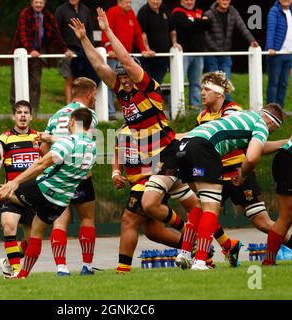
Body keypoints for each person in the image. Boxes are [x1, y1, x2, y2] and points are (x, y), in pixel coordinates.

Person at [70, 10, 238, 267]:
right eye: (122, 76)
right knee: (195, 208)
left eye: (127, 75)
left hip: (168, 154)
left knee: (149, 206)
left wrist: (108, 31)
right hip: (157, 160)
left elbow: (125, 59)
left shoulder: (149, 87)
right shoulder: (123, 94)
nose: (124, 80)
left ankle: (185, 243)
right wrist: (84, 39)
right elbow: (100, 66)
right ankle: (227, 244)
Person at [0, 107, 97, 278]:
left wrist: (16, 182)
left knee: (5, 193)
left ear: (72, 121)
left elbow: (41, 165)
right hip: (61, 200)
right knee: (36, 233)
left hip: (45, 188)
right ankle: (22, 275)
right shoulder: (92, 145)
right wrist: (52, 139)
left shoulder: (67, 143)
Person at [196, 71, 292, 263]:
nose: (202, 92)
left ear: (220, 93)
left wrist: (288, 142)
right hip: (217, 174)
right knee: (203, 213)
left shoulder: (234, 111)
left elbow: (255, 149)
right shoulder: (202, 116)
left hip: (239, 171)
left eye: (206, 88)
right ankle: (223, 248)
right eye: (202, 88)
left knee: (262, 222)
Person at [174, 103, 285, 270]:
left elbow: (258, 147)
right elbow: (253, 157)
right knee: (211, 206)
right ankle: (200, 262)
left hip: (185, 146)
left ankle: (185, 253)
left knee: (200, 203)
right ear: (271, 124)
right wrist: (243, 175)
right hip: (204, 148)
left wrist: (286, 142)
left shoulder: (242, 116)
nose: (267, 135)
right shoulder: (261, 125)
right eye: (271, 132)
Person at [39, 77, 98, 276]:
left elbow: (43, 146)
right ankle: (87, 266)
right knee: (87, 219)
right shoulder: (88, 114)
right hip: (80, 175)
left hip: (57, 175)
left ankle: (61, 267)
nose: (95, 99)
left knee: (59, 221)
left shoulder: (55, 115)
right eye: (95, 95)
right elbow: (87, 141)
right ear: (89, 93)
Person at [113, 124, 187, 274]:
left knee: (129, 219)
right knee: (154, 232)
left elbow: (173, 141)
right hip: (136, 183)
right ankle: (196, 247)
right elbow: (117, 153)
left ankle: (123, 269)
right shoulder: (123, 130)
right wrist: (115, 172)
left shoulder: (153, 125)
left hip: (152, 180)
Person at [0, 100, 43, 279]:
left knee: (31, 239)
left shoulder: (38, 138)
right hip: (10, 194)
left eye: (26, 112)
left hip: (33, 196)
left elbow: (46, 163)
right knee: (9, 226)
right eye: (19, 112)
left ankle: (9, 262)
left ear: (31, 116)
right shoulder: (4, 139)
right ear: (14, 116)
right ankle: (17, 272)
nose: (23, 116)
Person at [11, 0, 73, 116]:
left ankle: (33, 112)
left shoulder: (48, 16)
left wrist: (64, 49)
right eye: (36, 2)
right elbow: (23, 34)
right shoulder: (25, 14)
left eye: (41, 2)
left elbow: (56, 34)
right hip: (21, 53)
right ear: (31, 3)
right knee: (17, 83)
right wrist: (30, 50)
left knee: (36, 82)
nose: (38, 5)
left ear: (44, 3)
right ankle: (16, 113)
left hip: (38, 54)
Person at [101, 0, 155, 120]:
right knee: (112, 83)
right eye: (126, 2)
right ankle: (110, 113)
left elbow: (137, 33)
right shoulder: (112, 12)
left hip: (127, 58)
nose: (129, 5)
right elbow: (106, 31)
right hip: (114, 57)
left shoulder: (131, 13)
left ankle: (132, 111)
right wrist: (109, 49)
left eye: (130, 2)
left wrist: (143, 49)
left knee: (130, 84)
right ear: (119, 2)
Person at [263, 126, 292, 266]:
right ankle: (268, 261)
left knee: (286, 217)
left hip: (287, 159)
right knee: (286, 216)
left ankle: (269, 261)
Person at [203, 0, 259, 85]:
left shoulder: (233, 12)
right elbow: (205, 35)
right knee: (214, 82)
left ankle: (227, 99)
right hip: (211, 54)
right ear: (217, 0)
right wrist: (215, 48)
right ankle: (214, 99)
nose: (225, 2)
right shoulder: (208, 14)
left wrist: (252, 40)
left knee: (227, 81)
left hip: (225, 53)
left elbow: (242, 27)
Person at [55, 0, 98, 103]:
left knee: (84, 82)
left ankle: (83, 110)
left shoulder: (86, 10)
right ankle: (69, 110)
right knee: (70, 81)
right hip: (68, 52)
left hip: (84, 52)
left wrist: (90, 49)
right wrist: (63, 49)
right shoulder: (61, 10)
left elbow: (90, 31)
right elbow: (56, 33)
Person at [172, 0, 211, 109]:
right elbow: (187, 26)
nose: (189, 2)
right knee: (179, 81)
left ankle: (195, 108)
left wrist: (194, 22)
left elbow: (209, 24)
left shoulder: (199, 11)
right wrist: (199, 22)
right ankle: (177, 109)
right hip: (183, 53)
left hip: (198, 53)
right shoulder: (177, 12)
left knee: (196, 83)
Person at [266, 0, 292, 109]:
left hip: (290, 53)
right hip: (276, 54)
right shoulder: (274, 11)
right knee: (274, 83)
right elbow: (271, 29)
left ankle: (279, 110)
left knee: (283, 84)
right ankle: (270, 110)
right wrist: (270, 47)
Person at [137, 0, 182, 85]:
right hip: (148, 58)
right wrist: (147, 49)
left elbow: (172, 29)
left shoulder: (165, 9)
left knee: (157, 84)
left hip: (163, 56)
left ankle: (154, 98)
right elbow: (142, 33)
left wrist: (174, 43)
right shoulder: (143, 12)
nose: (155, 1)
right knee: (146, 85)